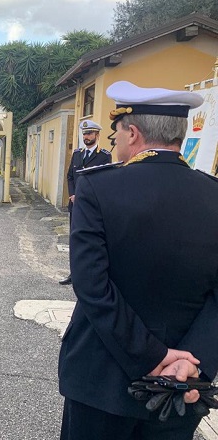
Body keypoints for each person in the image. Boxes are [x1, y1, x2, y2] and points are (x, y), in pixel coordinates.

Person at [58, 81, 218, 440]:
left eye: (115, 134)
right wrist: (192, 362)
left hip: (100, 379)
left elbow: (92, 286)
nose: (115, 142)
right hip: (181, 387)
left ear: (132, 132)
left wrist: (153, 356)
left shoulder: (97, 188)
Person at [59, 120, 112, 285]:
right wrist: (73, 194)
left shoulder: (104, 155)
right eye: (84, 134)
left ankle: (89, 275)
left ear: (97, 135)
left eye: (89, 133)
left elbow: (106, 180)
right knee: (75, 239)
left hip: (92, 206)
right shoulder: (77, 154)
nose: (86, 137)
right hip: (75, 205)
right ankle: (73, 274)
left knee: (91, 240)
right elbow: (70, 176)